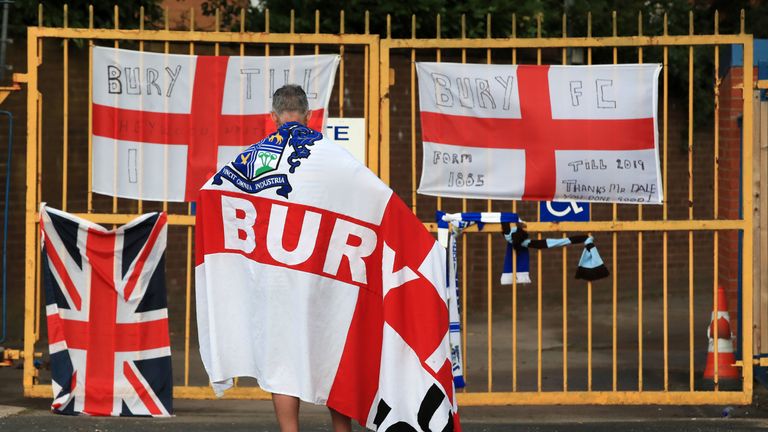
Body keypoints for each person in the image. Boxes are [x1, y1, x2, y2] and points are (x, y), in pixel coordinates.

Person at [265, 84, 352, 432]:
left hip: (278, 270)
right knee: (331, 352)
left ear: (273, 117)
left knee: (284, 358)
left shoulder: (258, 156)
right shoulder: (332, 155)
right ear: (310, 115)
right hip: (325, 268)